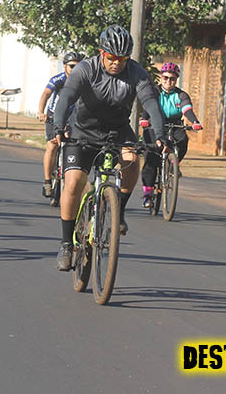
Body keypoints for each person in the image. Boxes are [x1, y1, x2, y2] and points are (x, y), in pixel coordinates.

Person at [53, 25, 166, 271]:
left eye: (122, 59)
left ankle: (118, 209)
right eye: (111, 57)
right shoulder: (86, 69)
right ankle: (66, 243)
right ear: (102, 53)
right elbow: (66, 97)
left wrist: (160, 134)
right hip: (83, 131)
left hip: (117, 131)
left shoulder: (137, 74)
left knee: (132, 160)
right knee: (73, 183)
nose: (116, 63)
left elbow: (151, 104)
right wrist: (58, 126)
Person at [138, 63, 202, 208]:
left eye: (172, 78)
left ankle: (174, 163)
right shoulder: (154, 91)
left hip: (174, 125)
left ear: (176, 79)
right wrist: (144, 119)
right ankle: (148, 194)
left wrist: (195, 121)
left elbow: (187, 110)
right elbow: (149, 107)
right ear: (161, 78)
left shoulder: (181, 95)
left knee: (183, 139)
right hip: (154, 124)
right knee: (151, 159)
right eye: (165, 78)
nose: (168, 81)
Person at [37, 51, 84, 197]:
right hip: (54, 115)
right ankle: (47, 181)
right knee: (52, 146)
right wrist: (41, 111)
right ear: (64, 67)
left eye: (78, 66)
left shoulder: (84, 81)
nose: (75, 70)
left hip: (73, 117)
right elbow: (46, 94)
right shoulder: (58, 79)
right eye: (71, 66)